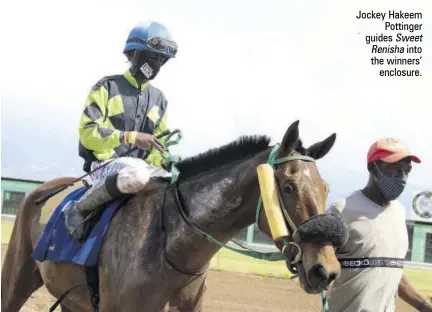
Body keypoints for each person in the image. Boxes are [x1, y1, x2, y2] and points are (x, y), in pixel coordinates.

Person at [62, 21, 179, 241]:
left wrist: (164, 159)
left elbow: (157, 146)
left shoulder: (159, 100)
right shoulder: (106, 87)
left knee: (174, 182)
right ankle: (78, 210)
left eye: (162, 60)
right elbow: (88, 133)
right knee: (136, 172)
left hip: (142, 169)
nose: (157, 64)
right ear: (134, 54)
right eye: (153, 57)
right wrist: (129, 137)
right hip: (103, 167)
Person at [326, 138, 432, 312]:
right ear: (372, 168)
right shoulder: (342, 209)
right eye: (394, 168)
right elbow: (317, 265)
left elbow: (392, 271)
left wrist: (426, 307)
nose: (402, 176)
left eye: (406, 170)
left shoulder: (399, 212)